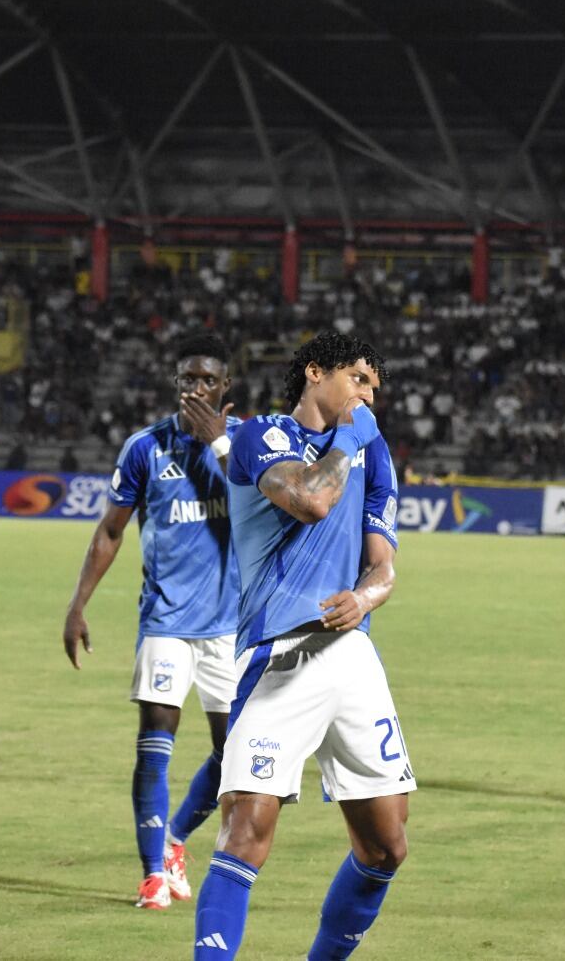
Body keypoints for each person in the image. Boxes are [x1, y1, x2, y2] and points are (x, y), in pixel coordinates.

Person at [193, 331, 409, 960]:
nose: (368, 395)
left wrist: (364, 598)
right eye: (358, 378)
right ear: (316, 372)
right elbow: (313, 498)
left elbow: (384, 569)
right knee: (245, 832)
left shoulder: (376, 451)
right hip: (279, 655)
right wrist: (350, 433)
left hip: (352, 655)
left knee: (385, 847)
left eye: (375, 385)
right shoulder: (265, 436)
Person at [63, 332, 242, 910]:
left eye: (207, 380)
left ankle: (174, 840)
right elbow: (112, 530)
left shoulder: (243, 446)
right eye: (187, 378)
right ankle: (150, 877)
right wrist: (78, 604)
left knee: (231, 757)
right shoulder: (145, 447)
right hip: (166, 619)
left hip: (229, 626)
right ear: (175, 383)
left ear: (225, 388)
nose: (196, 388)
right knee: (153, 744)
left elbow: (265, 509)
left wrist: (218, 444)